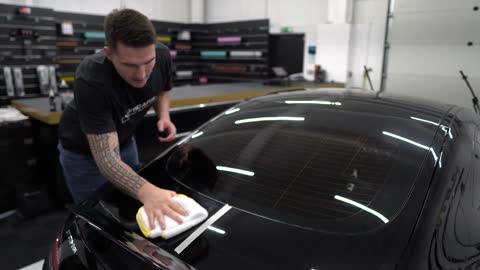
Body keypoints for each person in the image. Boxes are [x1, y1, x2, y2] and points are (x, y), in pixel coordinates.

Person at [57, 8, 187, 230]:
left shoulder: (162, 55)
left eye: (148, 62)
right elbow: (107, 159)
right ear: (109, 53)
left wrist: (163, 115)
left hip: (126, 141)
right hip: (84, 157)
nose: (141, 74)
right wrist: (150, 193)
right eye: (130, 65)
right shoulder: (91, 78)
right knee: (96, 221)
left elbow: (163, 89)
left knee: (130, 210)